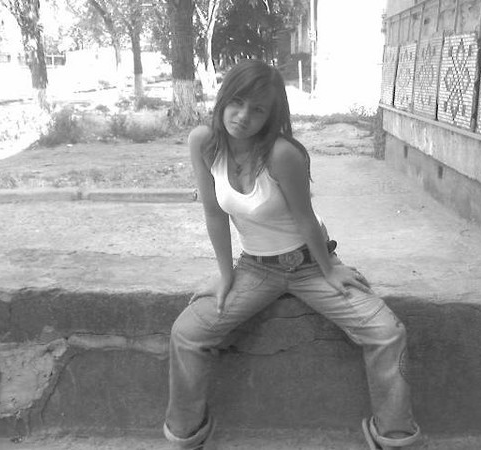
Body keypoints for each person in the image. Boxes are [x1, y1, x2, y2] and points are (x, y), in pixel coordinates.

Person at [164, 59, 421, 450]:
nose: (243, 116)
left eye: (257, 109)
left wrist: (329, 269)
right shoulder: (203, 142)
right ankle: (185, 436)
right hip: (255, 269)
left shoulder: (282, 154)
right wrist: (225, 275)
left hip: (309, 263)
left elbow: (305, 220)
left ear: (271, 116)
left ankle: (395, 437)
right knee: (186, 333)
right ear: (222, 99)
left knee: (388, 332)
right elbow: (214, 213)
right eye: (236, 102)